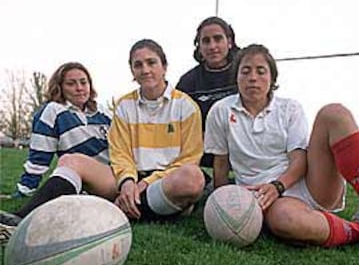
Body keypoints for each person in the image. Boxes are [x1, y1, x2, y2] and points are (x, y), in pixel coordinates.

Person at [204, 43, 359, 256]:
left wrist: (277, 186)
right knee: (283, 220)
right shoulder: (220, 111)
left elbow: (299, 160)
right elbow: (220, 163)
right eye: (245, 71)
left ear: (272, 78)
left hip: (307, 185)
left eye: (261, 71)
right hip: (262, 200)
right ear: (236, 77)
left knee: (334, 113)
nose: (253, 77)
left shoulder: (289, 108)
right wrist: (220, 203)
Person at [0, 39, 205, 243]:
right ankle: (19, 220)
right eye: (138, 65)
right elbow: (119, 153)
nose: (145, 70)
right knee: (71, 160)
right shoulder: (124, 106)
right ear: (132, 71)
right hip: (127, 179)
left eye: (151, 63)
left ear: (164, 67)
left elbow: (188, 159)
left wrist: (145, 183)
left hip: (162, 181)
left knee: (192, 178)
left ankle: (121, 209)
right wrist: (128, 182)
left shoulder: (186, 106)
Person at [12, 62, 111, 198]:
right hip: (84, 176)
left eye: (84, 82)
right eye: (71, 84)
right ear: (59, 87)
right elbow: (39, 156)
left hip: (114, 177)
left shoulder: (103, 112)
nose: (79, 88)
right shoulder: (53, 111)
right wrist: (25, 189)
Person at [176, 16, 240, 174]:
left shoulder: (244, 73)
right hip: (201, 162)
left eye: (218, 39)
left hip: (244, 158)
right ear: (199, 47)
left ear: (229, 42)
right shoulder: (188, 82)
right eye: (206, 41)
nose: (212, 46)